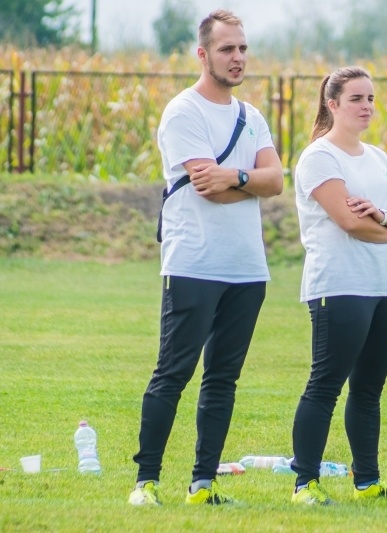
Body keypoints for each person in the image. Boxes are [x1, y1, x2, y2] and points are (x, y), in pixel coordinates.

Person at [128, 9, 283, 506]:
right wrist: (248, 180)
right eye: (226, 49)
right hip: (193, 262)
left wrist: (236, 177)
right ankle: (145, 482)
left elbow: (276, 181)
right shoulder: (183, 112)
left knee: (223, 379)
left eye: (242, 48)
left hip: (246, 268)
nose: (237, 58)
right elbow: (206, 186)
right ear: (203, 54)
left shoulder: (251, 116)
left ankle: (202, 484)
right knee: (173, 373)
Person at [289, 66, 387, 505]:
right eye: (356, 99)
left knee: (369, 390)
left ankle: (367, 482)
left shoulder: (379, 157)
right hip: (340, 284)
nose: (366, 107)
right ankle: (304, 483)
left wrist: (383, 218)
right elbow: (349, 222)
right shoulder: (319, 158)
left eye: (370, 99)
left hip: (386, 285)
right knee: (325, 385)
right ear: (332, 104)